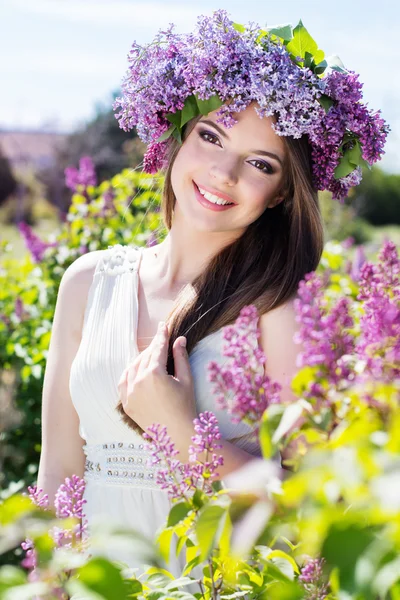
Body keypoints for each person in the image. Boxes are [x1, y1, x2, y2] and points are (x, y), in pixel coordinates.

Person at [36, 9, 388, 580]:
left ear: (280, 193)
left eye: (259, 163)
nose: (223, 173)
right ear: (179, 133)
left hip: (211, 587)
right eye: (211, 135)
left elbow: (313, 513)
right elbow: (57, 479)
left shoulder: (281, 310)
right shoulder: (87, 282)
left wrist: (179, 430)